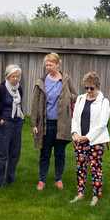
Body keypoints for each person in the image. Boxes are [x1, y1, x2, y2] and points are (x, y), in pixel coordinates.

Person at [31, 51, 80, 190]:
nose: (48, 68)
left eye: (51, 65)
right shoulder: (41, 82)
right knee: (45, 153)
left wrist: (67, 99)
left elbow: (76, 96)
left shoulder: (66, 79)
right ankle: (42, 180)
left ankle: (59, 179)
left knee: (60, 153)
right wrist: (34, 124)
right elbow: (35, 105)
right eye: (46, 65)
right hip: (46, 124)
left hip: (62, 124)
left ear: (58, 64)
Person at [69, 72, 110, 205]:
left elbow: (102, 124)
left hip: (96, 141)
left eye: (91, 88)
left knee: (95, 169)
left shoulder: (104, 102)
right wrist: (75, 134)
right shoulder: (80, 99)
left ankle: (95, 197)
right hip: (79, 140)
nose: (89, 90)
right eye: (86, 88)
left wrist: (86, 137)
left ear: (97, 87)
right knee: (80, 167)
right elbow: (75, 118)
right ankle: (80, 193)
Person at [0, 64, 26, 187]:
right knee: (2, 154)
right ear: (7, 76)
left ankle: (10, 179)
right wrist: (0, 120)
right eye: (13, 77)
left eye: (17, 76)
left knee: (15, 153)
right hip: (5, 123)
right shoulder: (1, 89)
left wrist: (21, 118)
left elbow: (20, 105)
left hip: (17, 123)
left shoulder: (19, 89)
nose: (15, 79)